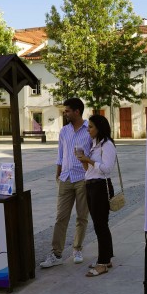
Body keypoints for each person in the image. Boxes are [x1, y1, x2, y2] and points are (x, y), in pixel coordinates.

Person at [40, 98, 92, 268]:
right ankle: (56, 254)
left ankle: (77, 249)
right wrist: (57, 174)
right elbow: (60, 155)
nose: (65, 113)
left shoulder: (89, 131)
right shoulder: (64, 131)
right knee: (60, 217)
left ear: (77, 111)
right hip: (66, 178)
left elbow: (94, 155)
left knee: (82, 216)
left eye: (68, 110)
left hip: (83, 178)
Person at [76, 114, 116, 277]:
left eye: (91, 126)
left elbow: (107, 169)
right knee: (100, 225)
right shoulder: (94, 144)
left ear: (99, 128)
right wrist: (83, 161)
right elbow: (89, 171)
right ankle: (106, 259)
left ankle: (102, 264)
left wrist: (89, 160)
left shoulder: (107, 145)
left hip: (100, 187)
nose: (88, 130)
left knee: (101, 225)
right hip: (91, 185)